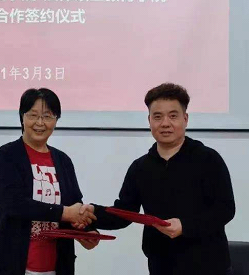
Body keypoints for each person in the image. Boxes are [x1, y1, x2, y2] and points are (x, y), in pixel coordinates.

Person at [86, 83, 235, 275]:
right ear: (149, 120)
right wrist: (93, 213)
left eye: (173, 116)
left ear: (185, 119)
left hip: (209, 266)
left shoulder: (208, 159)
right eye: (157, 117)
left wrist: (185, 226)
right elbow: (125, 213)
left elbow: (225, 209)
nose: (165, 123)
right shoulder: (140, 167)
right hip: (161, 266)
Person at [0, 88, 98, 275]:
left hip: (57, 267)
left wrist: (86, 231)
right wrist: (66, 213)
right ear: (22, 117)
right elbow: (14, 204)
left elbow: (75, 204)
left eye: (47, 116)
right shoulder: (7, 155)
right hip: (14, 265)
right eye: (33, 115)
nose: (40, 123)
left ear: (56, 120)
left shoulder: (63, 161)